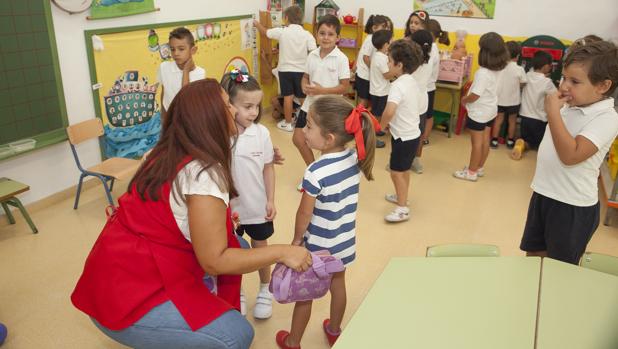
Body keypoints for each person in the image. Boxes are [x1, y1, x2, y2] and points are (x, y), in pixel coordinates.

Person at [71, 79, 311, 349]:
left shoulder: (162, 152)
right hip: (124, 299)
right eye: (226, 105)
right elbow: (215, 261)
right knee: (237, 336)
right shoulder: (203, 174)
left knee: (240, 244)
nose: (233, 110)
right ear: (207, 118)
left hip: (112, 272)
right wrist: (283, 252)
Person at [275, 96, 378, 349]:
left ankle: (293, 341)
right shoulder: (355, 158)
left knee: (305, 295)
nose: (304, 132)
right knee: (338, 283)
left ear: (329, 138)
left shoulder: (315, 171)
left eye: (309, 126)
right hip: (343, 242)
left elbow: (304, 214)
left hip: (318, 246)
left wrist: (297, 240)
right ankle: (334, 329)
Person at [520, 40, 618, 264]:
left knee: (560, 268)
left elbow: (571, 155)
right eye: (564, 78)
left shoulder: (606, 118)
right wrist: (559, 110)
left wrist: (553, 112)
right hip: (544, 194)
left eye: (574, 81)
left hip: (572, 206)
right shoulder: (571, 105)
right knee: (534, 257)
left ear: (602, 86)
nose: (564, 86)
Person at [220, 70, 276, 320]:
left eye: (256, 106)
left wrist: (271, 199)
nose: (253, 112)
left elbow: (268, 168)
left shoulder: (261, 133)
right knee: (234, 253)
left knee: (260, 248)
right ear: (228, 105)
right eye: (247, 106)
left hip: (257, 207)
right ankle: (237, 292)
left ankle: (266, 288)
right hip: (230, 211)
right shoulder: (221, 135)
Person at [294, 15, 350, 172]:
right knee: (298, 139)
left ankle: (322, 175)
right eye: (322, 33)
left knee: (326, 145)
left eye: (331, 34)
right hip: (309, 105)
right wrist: (304, 86)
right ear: (316, 34)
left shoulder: (341, 58)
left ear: (338, 38)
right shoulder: (312, 55)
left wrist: (321, 91)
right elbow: (305, 77)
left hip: (328, 110)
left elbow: (344, 87)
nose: (326, 37)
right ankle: (313, 171)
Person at [454, 32, 509, 182]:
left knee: (476, 144)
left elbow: (475, 95)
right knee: (485, 141)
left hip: (478, 113)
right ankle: (478, 167)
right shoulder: (500, 69)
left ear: (485, 53)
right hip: (491, 110)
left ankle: (471, 172)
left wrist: (465, 100)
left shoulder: (483, 73)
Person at [254, 5, 316, 132]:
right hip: (301, 72)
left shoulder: (282, 31)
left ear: (286, 18)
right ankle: (309, 124)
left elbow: (265, 32)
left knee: (288, 97)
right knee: (304, 98)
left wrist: (256, 23)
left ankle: (288, 124)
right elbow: (313, 52)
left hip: (285, 70)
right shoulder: (307, 34)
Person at [380, 40, 424, 222]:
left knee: (396, 172)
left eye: (389, 61)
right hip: (412, 134)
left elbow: (390, 110)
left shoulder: (397, 85)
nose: (387, 64)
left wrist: (380, 126)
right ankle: (402, 197)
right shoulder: (411, 81)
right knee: (404, 170)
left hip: (403, 137)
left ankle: (402, 209)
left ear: (399, 65)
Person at [511, 50, 556, 160]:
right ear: (546, 67)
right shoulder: (547, 82)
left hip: (524, 117)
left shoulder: (527, 75)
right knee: (537, 144)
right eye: (551, 66)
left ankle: (521, 143)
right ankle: (525, 145)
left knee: (527, 138)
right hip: (539, 119)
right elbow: (556, 95)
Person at [158, 27, 205, 120]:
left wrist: (186, 71)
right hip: (170, 121)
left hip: (189, 121)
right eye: (172, 49)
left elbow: (186, 99)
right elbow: (164, 94)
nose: (176, 53)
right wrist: (164, 120)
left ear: (193, 50)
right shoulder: (164, 67)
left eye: (181, 49)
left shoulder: (200, 73)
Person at [421, 18, 450, 151]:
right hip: (427, 86)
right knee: (426, 114)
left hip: (427, 87)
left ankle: (425, 137)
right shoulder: (431, 47)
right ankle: (423, 137)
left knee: (428, 115)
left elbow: (425, 69)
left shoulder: (431, 49)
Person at [492, 41, 527, 149]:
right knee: (512, 121)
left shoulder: (499, 67)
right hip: (513, 101)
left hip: (500, 100)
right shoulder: (520, 69)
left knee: (498, 120)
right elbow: (523, 83)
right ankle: (511, 141)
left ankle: (494, 140)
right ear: (517, 56)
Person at [409, 29, 434, 174]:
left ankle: (402, 160)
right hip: (423, 99)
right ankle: (416, 160)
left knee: (404, 131)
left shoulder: (412, 62)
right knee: (419, 131)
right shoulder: (429, 60)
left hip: (410, 99)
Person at [355, 15, 392, 109]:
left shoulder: (375, 38)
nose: (386, 29)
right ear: (374, 28)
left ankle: (362, 119)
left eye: (387, 27)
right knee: (363, 101)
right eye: (384, 27)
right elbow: (365, 57)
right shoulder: (371, 39)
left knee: (367, 101)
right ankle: (357, 120)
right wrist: (374, 69)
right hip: (364, 76)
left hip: (366, 75)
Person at [369, 29, 395, 149]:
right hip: (381, 92)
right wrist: (396, 71)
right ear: (386, 45)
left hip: (376, 90)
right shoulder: (382, 58)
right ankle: (372, 138)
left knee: (377, 113)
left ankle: (376, 130)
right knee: (377, 115)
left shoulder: (377, 55)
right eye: (391, 42)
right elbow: (387, 75)